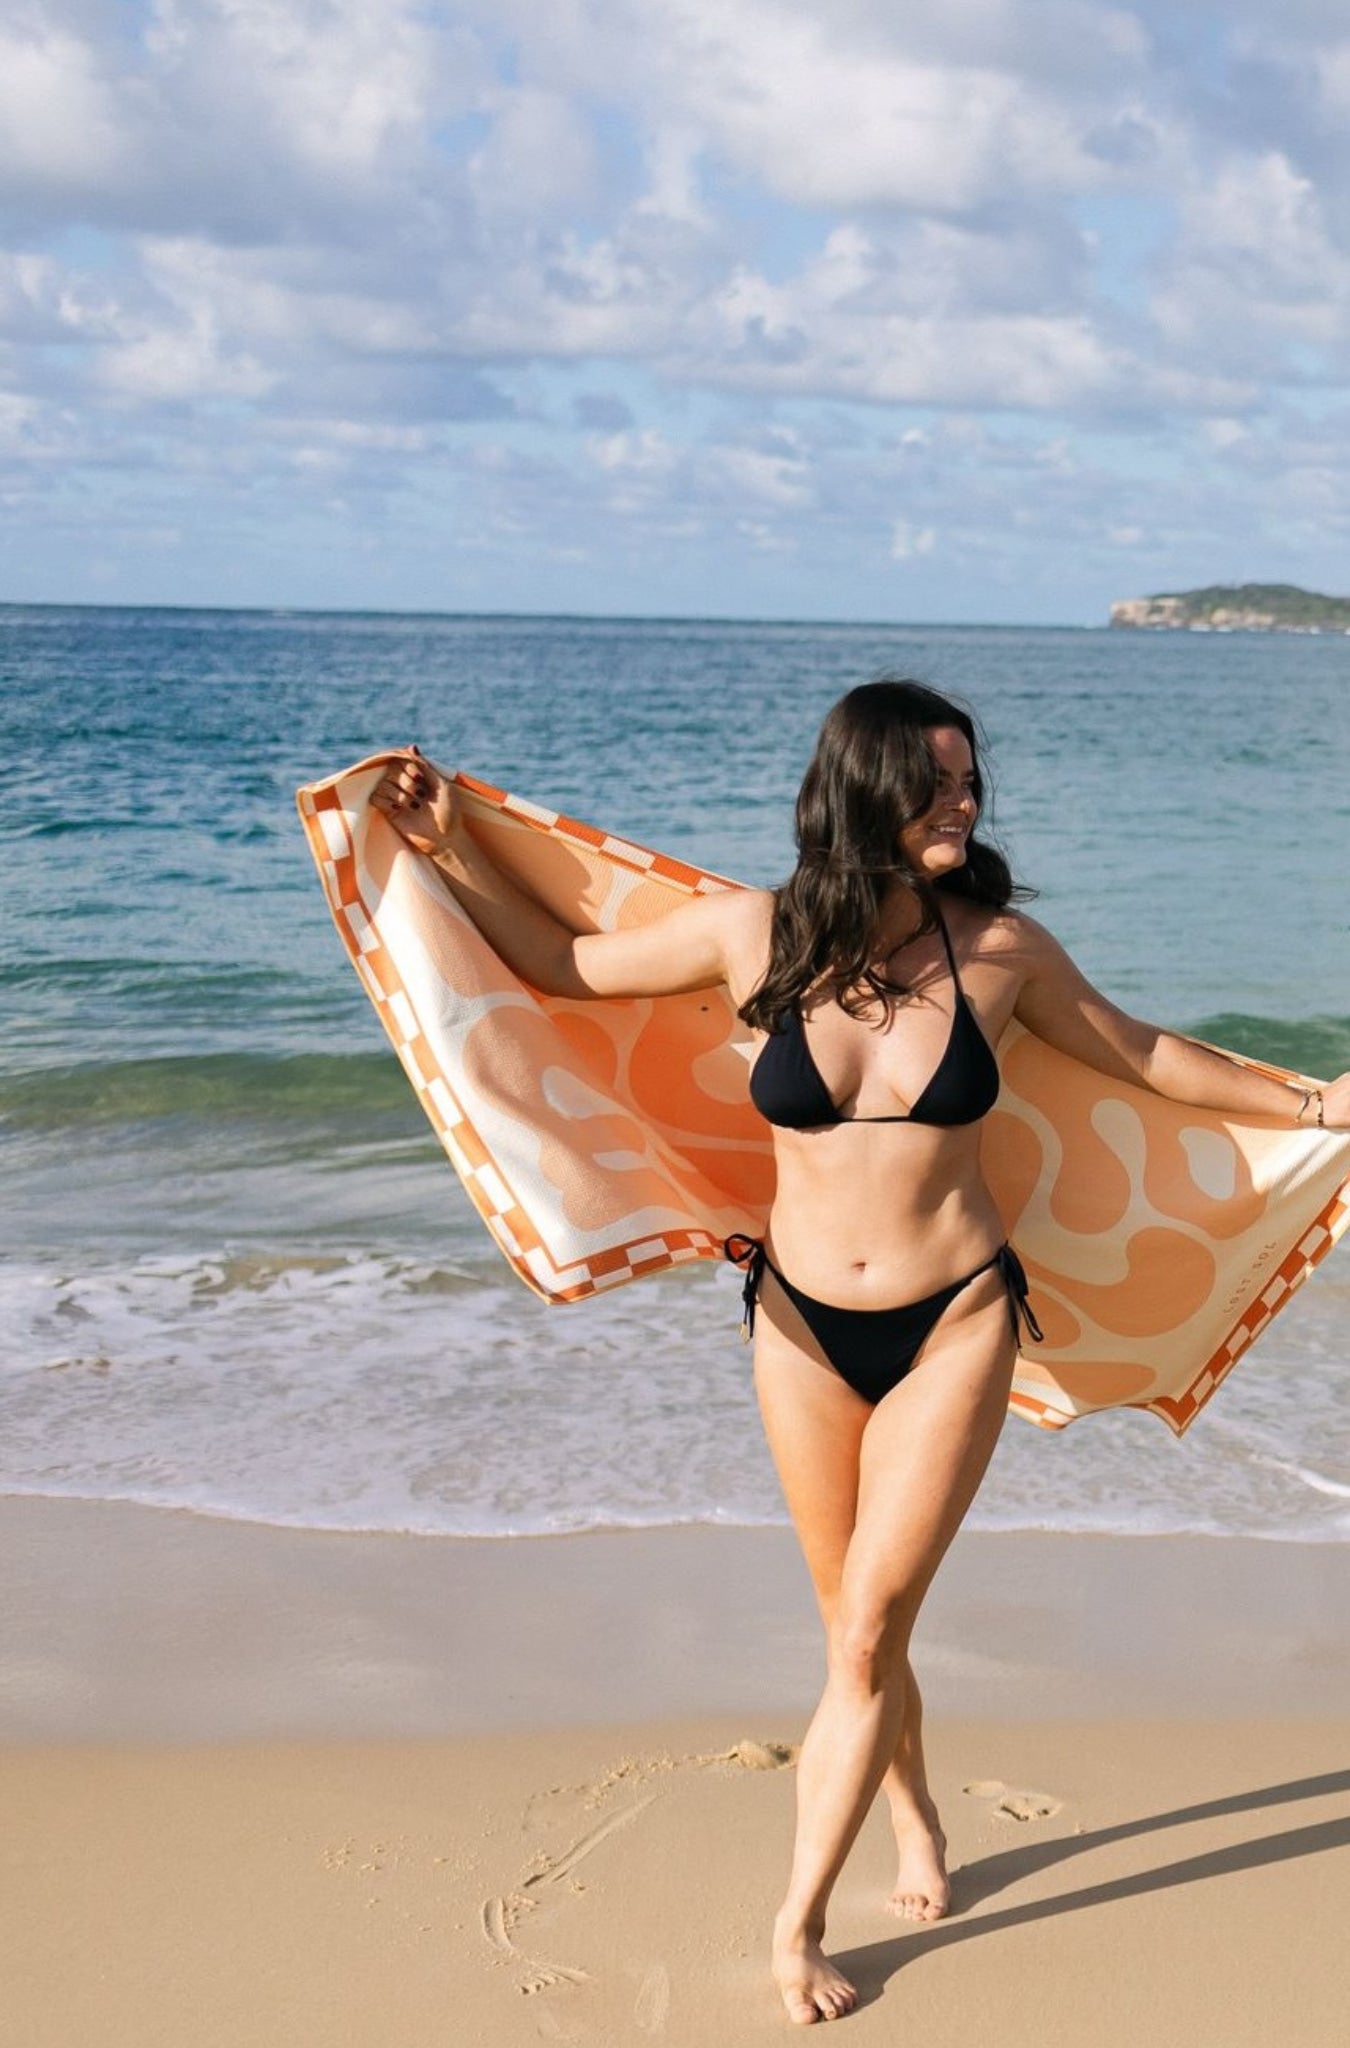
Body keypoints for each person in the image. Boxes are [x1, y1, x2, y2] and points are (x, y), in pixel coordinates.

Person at [373, 680, 1349, 2027]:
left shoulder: (1001, 951)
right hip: (796, 1325)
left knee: (873, 1625)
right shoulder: (749, 934)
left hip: (954, 1318)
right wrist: (450, 849)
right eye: (935, 783)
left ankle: (795, 1926)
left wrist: (1316, 1102)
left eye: (969, 782)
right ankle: (915, 1812)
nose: (964, 804)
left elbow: (1143, 1056)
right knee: (854, 1630)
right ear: (862, 790)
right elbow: (562, 964)